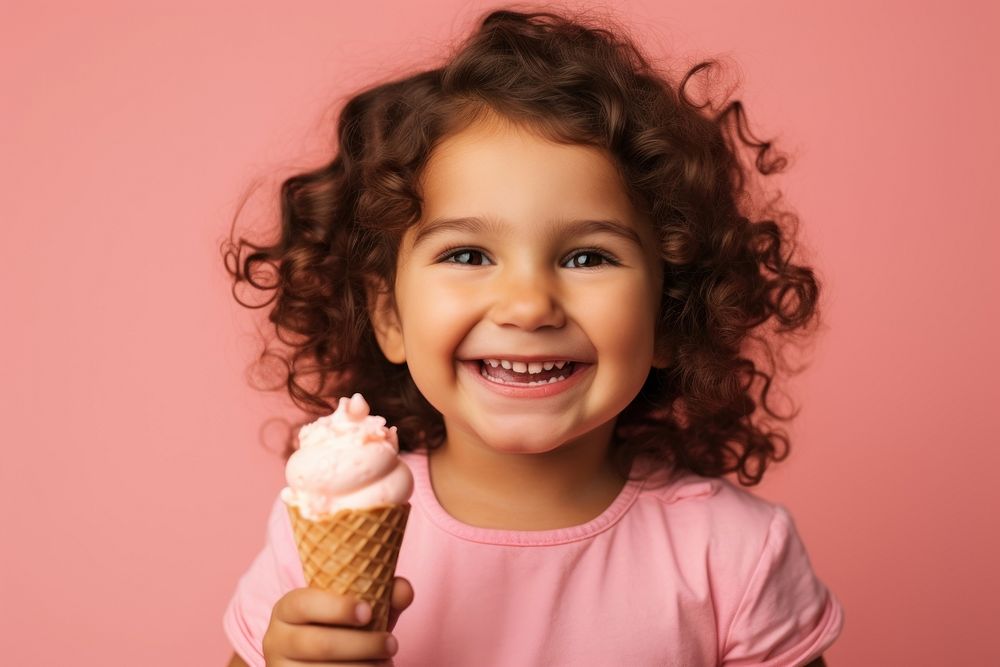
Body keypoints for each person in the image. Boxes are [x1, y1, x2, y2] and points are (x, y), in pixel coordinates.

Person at [221, 7, 844, 666]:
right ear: (390, 316)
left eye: (587, 257)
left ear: (668, 315)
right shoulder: (318, 520)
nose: (528, 306)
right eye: (467, 255)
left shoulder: (736, 554)